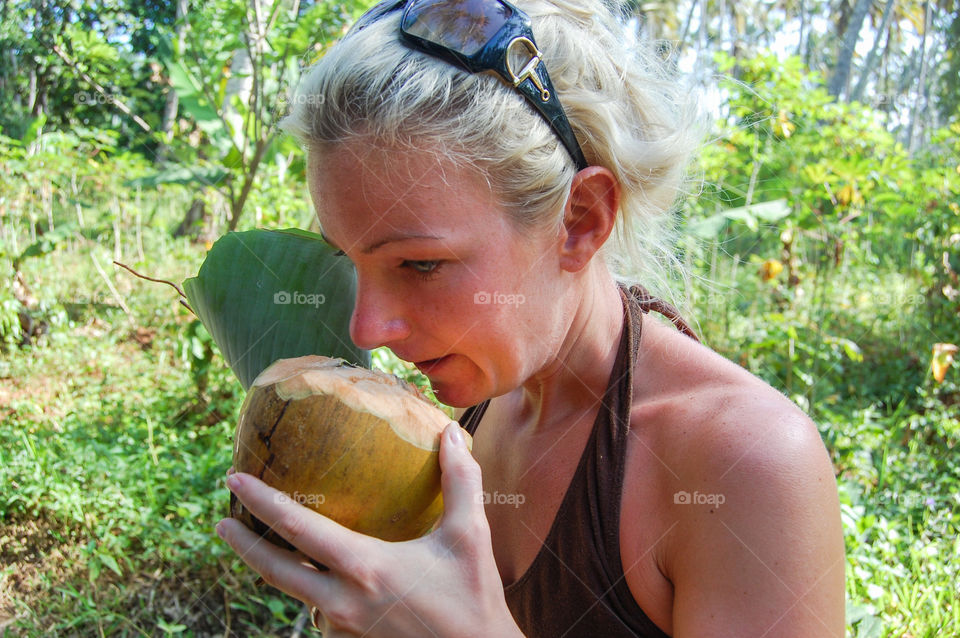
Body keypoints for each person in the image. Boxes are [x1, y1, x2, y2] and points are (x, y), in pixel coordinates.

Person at [216, 1, 846, 636]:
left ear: (581, 220)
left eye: (420, 265)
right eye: (350, 263)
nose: (366, 330)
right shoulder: (452, 421)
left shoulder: (744, 466)